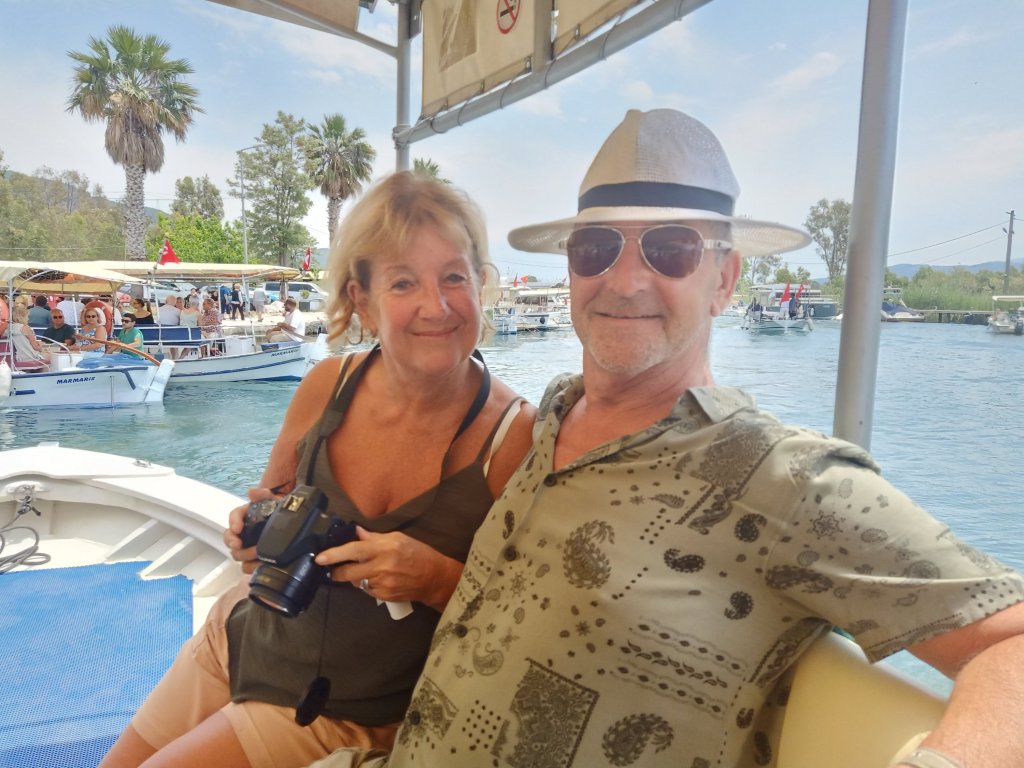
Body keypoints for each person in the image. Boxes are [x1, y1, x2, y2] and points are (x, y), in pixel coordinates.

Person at [312, 110, 1024, 768]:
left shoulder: (784, 479)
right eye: (596, 248)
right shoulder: (551, 419)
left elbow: (1011, 639)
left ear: (724, 280)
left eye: (672, 249)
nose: (624, 281)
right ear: (572, 269)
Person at [98, 171, 536, 768]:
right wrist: (252, 530)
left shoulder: (514, 436)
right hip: (243, 634)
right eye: (403, 282)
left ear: (481, 284)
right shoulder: (328, 385)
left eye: (454, 277)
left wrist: (434, 578)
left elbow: (527, 620)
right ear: (362, 299)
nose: (436, 306)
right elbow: (272, 504)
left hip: (343, 707)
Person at [3, 303, 51, 370]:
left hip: (14, 358)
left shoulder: (6, 329)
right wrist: (40, 345)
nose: (28, 318)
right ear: (22, 316)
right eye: (27, 316)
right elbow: (36, 347)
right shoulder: (25, 328)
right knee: (51, 356)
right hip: (28, 357)